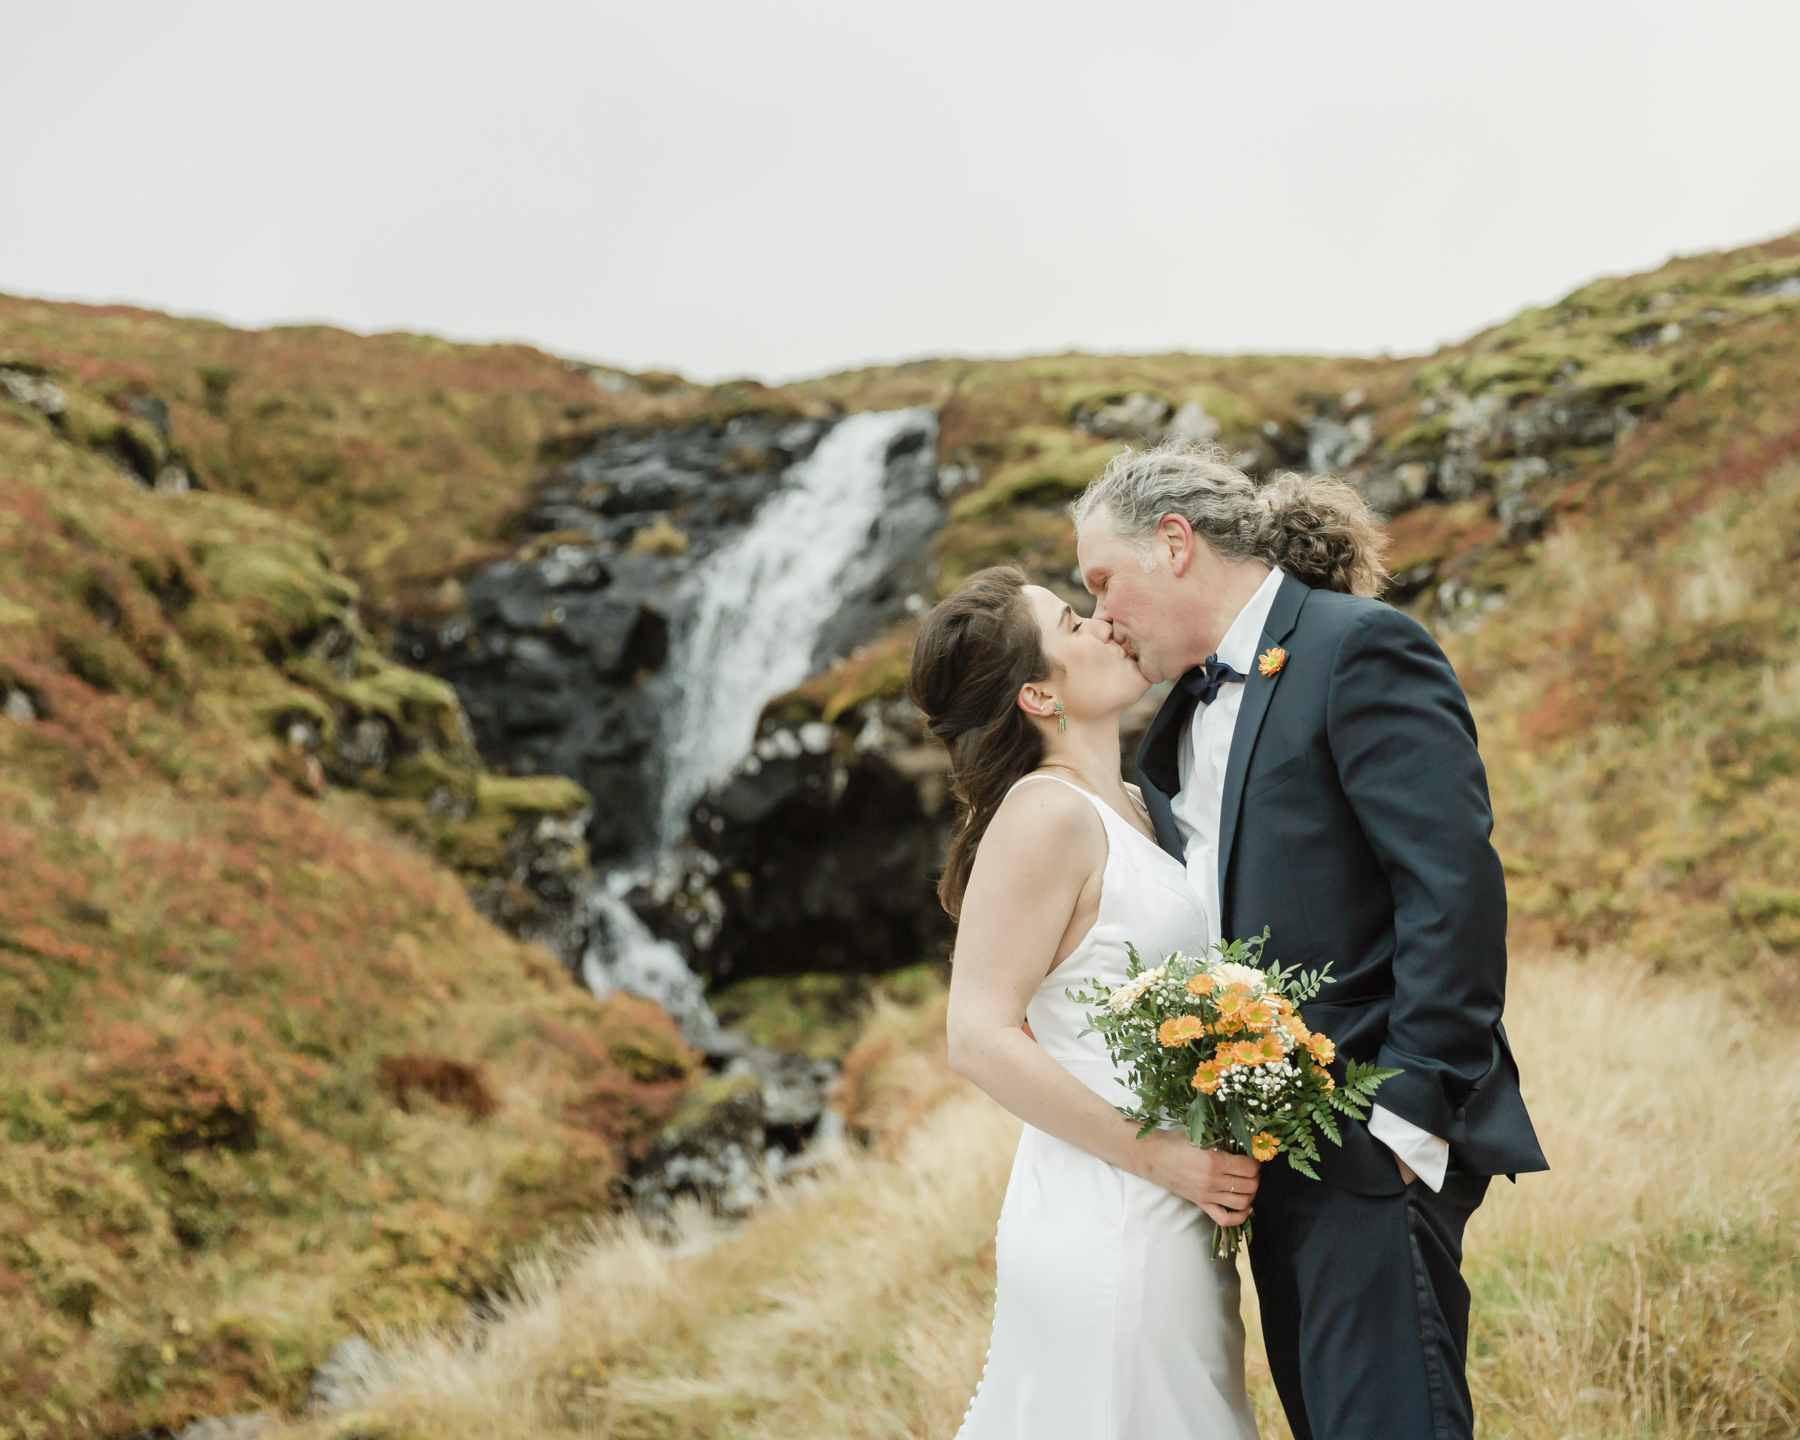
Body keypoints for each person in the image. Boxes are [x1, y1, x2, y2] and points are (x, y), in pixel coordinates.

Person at [1071, 440, 1548, 1440]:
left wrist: (1409, 1118)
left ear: (1175, 544)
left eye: (1102, 581)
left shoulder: (1359, 645)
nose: (1101, 612)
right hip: (1271, 1157)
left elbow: (1450, 887)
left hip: (1367, 1136)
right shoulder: (1177, 720)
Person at [909, 565, 1260, 1440]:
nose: (1105, 623)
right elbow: (978, 1036)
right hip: (1115, 1207)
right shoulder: (1045, 815)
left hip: (1167, 1201)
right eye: (1072, 622)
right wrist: (1162, 1160)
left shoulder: (1139, 806)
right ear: (1038, 693)